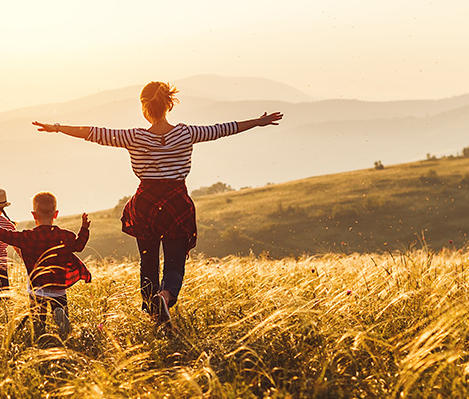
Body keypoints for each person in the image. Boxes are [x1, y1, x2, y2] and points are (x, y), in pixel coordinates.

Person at [33, 82, 282, 331]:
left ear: (144, 107)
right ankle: (164, 297)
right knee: (174, 262)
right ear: (168, 105)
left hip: (146, 206)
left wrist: (57, 128)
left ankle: (154, 315)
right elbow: (223, 129)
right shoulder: (186, 133)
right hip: (177, 203)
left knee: (148, 262)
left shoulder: (134, 136)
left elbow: (93, 132)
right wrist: (256, 122)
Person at [0, 192, 91, 336]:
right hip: (59, 287)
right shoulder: (65, 236)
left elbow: (5, 235)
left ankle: (40, 333)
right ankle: (61, 323)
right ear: (56, 214)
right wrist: (84, 229)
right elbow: (79, 246)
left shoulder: (27, 237)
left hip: (37, 288)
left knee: (38, 320)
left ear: (33, 215)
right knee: (61, 311)